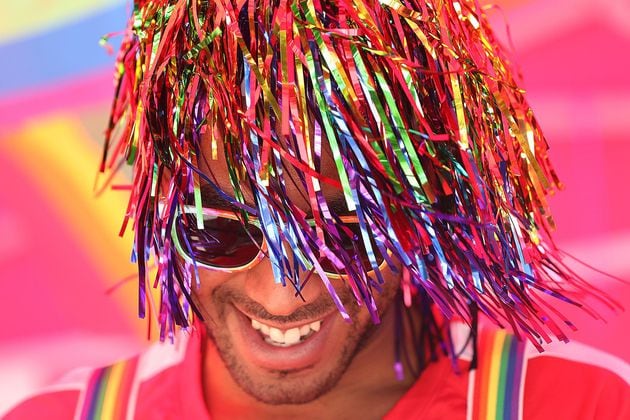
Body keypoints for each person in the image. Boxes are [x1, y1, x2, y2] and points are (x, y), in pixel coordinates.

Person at [4, 0, 629, 418]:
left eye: (345, 236)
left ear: (430, 207)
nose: (283, 293)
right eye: (219, 230)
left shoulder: (576, 405)